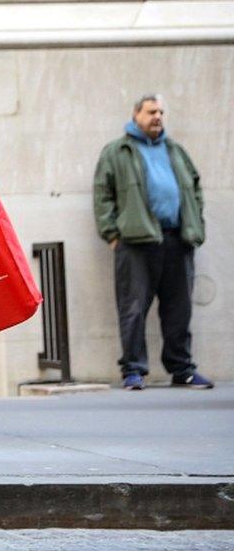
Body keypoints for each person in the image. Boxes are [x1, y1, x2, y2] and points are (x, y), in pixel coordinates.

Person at [93, 94, 212, 391]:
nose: (157, 117)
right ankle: (133, 371)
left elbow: (195, 188)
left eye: (160, 112)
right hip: (135, 242)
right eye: (150, 112)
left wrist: (196, 223)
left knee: (179, 309)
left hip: (177, 239)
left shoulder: (175, 150)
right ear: (136, 115)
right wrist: (112, 235)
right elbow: (102, 194)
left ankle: (182, 369)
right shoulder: (117, 151)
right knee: (133, 309)